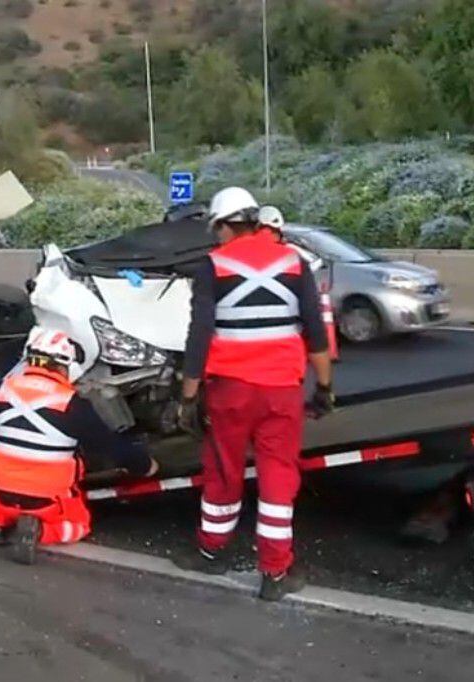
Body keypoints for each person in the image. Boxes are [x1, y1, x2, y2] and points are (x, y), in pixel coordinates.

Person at [177, 187, 335, 601]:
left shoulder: (213, 266)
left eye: (218, 230)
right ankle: (275, 574)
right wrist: (324, 386)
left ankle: (212, 553)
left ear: (228, 224)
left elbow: (200, 336)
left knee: (225, 468)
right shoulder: (294, 262)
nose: (218, 239)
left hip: (229, 391)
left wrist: (188, 395)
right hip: (282, 390)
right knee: (278, 476)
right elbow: (316, 333)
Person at [0, 326, 158, 564]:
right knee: (78, 526)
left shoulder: (1, 389)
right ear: (65, 365)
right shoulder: (72, 404)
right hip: (48, 500)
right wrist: (145, 465)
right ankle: (40, 532)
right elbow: (111, 445)